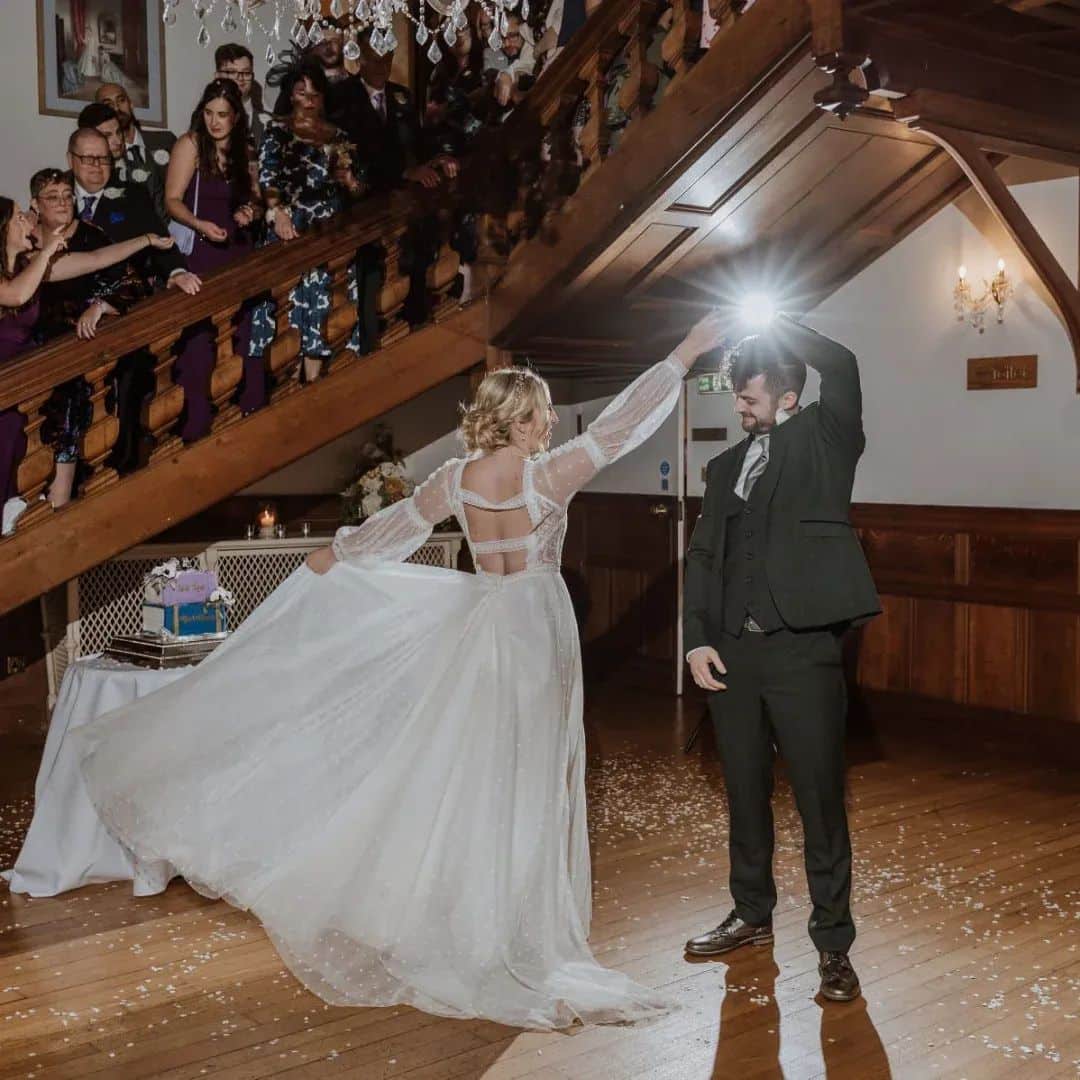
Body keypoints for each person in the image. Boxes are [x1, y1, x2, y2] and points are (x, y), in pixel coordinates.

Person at [76, 311, 728, 1029]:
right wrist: (686, 351)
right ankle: (511, 923)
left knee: (478, 770)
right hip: (535, 628)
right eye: (541, 413)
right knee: (530, 771)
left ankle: (469, 913)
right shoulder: (550, 475)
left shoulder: (456, 479)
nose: (548, 423)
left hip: (483, 620)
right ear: (520, 422)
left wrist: (336, 555)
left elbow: (395, 530)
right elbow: (622, 425)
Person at [681, 316, 881, 1003]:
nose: (739, 406)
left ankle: (834, 946)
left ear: (788, 396)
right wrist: (697, 639)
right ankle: (751, 914)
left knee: (820, 800)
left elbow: (843, 362)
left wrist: (773, 325)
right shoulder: (723, 468)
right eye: (737, 395)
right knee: (743, 791)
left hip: (804, 652)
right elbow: (703, 557)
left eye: (749, 396)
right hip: (731, 655)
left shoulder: (828, 438)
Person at [0, 197, 175, 517]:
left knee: (18, 447)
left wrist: (146, 239)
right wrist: (47, 252)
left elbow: (95, 259)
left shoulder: (32, 265)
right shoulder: (29, 268)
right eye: (18, 218)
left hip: (25, 380)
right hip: (4, 377)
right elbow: (16, 294)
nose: (28, 219)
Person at [67, 127, 200, 472]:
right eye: (88, 159)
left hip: (125, 312)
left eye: (104, 159)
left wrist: (176, 272)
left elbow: (160, 239)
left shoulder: (131, 195)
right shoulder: (56, 194)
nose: (97, 166)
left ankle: (123, 467)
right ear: (71, 159)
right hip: (69, 322)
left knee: (130, 390)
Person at [31, 168, 153, 508]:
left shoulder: (91, 236)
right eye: (52, 197)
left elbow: (134, 283)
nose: (62, 203)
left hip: (75, 354)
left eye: (67, 196)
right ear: (35, 204)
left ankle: (59, 505)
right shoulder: (25, 239)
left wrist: (100, 306)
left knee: (67, 421)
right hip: (27, 354)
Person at [249, 62, 363, 385]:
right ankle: (287, 382)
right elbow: (267, 179)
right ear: (291, 96)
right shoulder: (277, 131)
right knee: (288, 308)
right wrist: (277, 213)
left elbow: (356, 187)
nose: (309, 100)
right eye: (302, 93)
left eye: (316, 93)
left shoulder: (338, 136)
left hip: (329, 231)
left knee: (326, 303)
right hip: (290, 228)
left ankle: (315, 381)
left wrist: (350, 181)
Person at [165, 79, 264, 440]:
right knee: (199, 341)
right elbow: (171, 200)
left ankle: (251, 409)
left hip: (238, 250)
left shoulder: (244, 151)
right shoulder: (190, 144)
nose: (214, 121)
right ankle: (197, 424)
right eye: (209, 113)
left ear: (236, 117)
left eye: (222, 115)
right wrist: (198, 224)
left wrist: (250, 211)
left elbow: (256, 197)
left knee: (248, 331)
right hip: (203, 251)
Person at [95, 83, 177, 224]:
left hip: (176, 229)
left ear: (131, 104)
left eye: (121, 100)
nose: (116, 108)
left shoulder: (165, 141)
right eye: (108, 104)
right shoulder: (103, 158)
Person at [78, 101, 166, 224]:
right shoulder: (71, 181)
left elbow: (160, 221)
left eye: (119, 132)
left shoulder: (144, 173)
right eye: (107, 136)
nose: (118, 141)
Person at [215, 42, 269, 151]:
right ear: (217, 76)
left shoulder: (268, 122)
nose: (240, 78)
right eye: (231, 72)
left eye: (246, 72)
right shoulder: (204, 117)